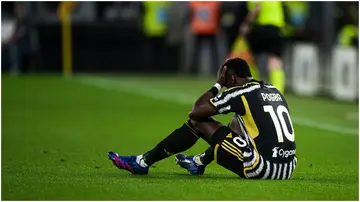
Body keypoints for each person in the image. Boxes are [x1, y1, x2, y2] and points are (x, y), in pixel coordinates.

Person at [108, 57, 297, 179]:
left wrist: (217, 85)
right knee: (234, 123)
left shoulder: (239, 92)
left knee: (198, 123)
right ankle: (197, 163)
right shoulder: (272, 89)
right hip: (288, 167)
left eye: (224, 77)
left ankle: (143, 162)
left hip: (264, 168)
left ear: (230, 78)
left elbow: (196, 112)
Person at [239, 2, 286, 94]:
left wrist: (246, 24)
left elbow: (256, 8)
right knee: (274, 61)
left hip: (261, 28)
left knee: (253, 59)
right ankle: (278, 93)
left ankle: (252, 89)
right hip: (276, 28)